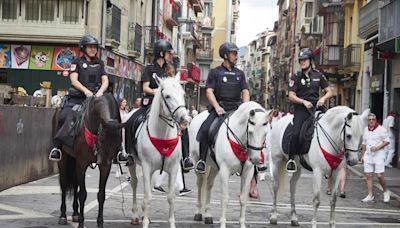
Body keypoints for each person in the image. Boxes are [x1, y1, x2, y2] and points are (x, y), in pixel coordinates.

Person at [123, 41, 195, 170]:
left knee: (183, 125)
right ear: (161, 53)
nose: (170, 55)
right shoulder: (149, 69)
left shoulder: (170, 70)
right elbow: (145, 88)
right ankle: (129, 153)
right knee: (131, 121)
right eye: (168, 53)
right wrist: (157, 93)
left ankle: (186, 157)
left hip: (167, 106)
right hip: (150, 104)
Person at [49, 35, 109, 161]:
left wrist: (100, 92)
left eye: (95, 47)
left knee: (111, 117)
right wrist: (86, 91)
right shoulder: (76, 62)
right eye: (90, 47)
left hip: (96, 99)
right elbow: (74, 80)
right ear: (83, 48)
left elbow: (105, 81)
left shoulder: (100, 63)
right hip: (79, 97)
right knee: (63, 115)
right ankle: (57, 148)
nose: (93, 49)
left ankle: (118, 149)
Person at [195, 42, 250, 174]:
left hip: (236, 109)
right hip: (220, 108)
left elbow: (245, 91)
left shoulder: (240, 74)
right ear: (225, 56)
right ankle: (202, 160)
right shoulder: (215, 72)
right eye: (234, 53)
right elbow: (209, 91)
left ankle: (253, 162)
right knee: (205, 129)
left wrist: (245, 107)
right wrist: (217, 107)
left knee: (251, 131)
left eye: (237, 53)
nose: (236, 56)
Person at [286, 48, 333, 172]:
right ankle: (291, 159)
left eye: (305, 60)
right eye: (301, 60)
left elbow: (329, 91)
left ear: (311, 60)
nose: (302, 62)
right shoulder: (295, 76)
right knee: (295, 133)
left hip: (317, 107)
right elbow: (291, 96)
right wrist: (303, 102)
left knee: (331, 127)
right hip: (302, 109)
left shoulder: (318, 75)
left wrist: (323, 98)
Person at [360, 113, 391, 203]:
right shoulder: (366, 129)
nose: (371, 121)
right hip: (368, 154)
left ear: (376, 120)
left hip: (379, 154)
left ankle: (386, 191)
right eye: (369, 120)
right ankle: (370, 195)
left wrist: (377, 147)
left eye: (373, 119)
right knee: (368, 175)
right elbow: (364, 143)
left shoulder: (381, 129)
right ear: (367, 121)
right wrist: (362, 155)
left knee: (379, 175)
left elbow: (387, 141)